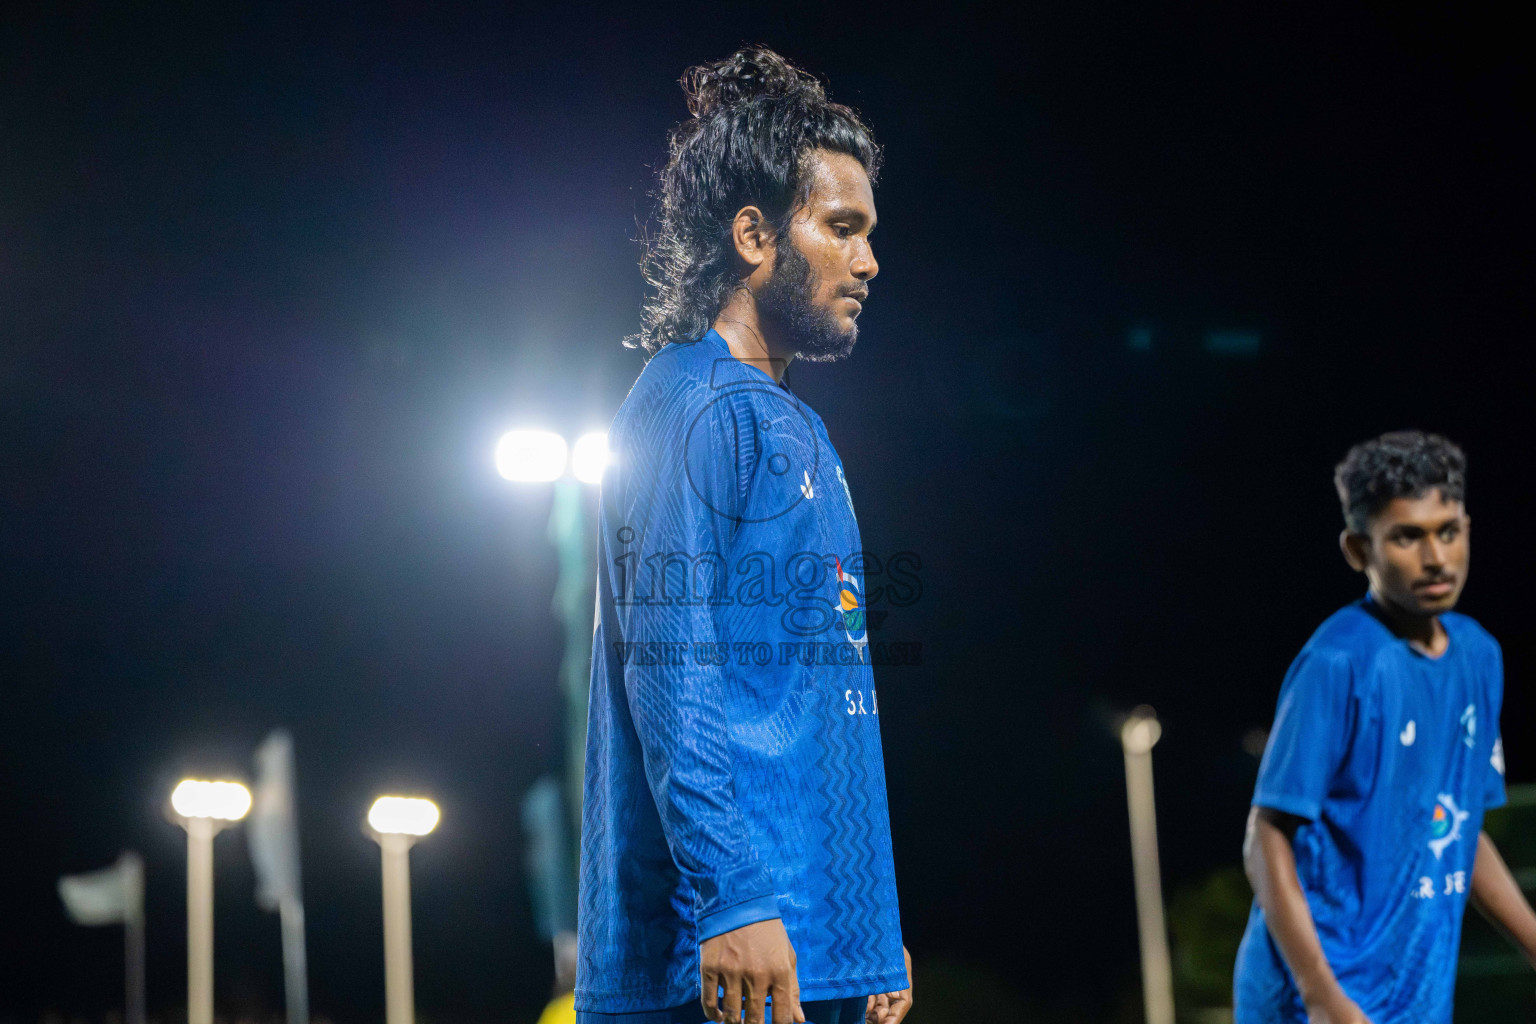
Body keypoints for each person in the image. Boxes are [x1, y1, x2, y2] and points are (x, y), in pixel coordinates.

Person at [576, 47, 912, 1024]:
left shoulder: (795, 424)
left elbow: (815, 695)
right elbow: (671, 668)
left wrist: (866, 921)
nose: (868, 259)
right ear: (756, 233)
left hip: (816, 946)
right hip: (722, 953)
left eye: (869, 232)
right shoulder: (685, 403)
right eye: (841, 228)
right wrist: (734, 893)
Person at [1235, 431, 1536, 1023]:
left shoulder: (1479, 655)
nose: (1436, 558)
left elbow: (1459, 829)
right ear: (1357, 549)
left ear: (1468, 529)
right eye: (1407, 537)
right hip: (1317, 998)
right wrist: (1323, 996)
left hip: (1415, 991)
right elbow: (1265, 839)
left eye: (1447, 531)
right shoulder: (1337, 663)